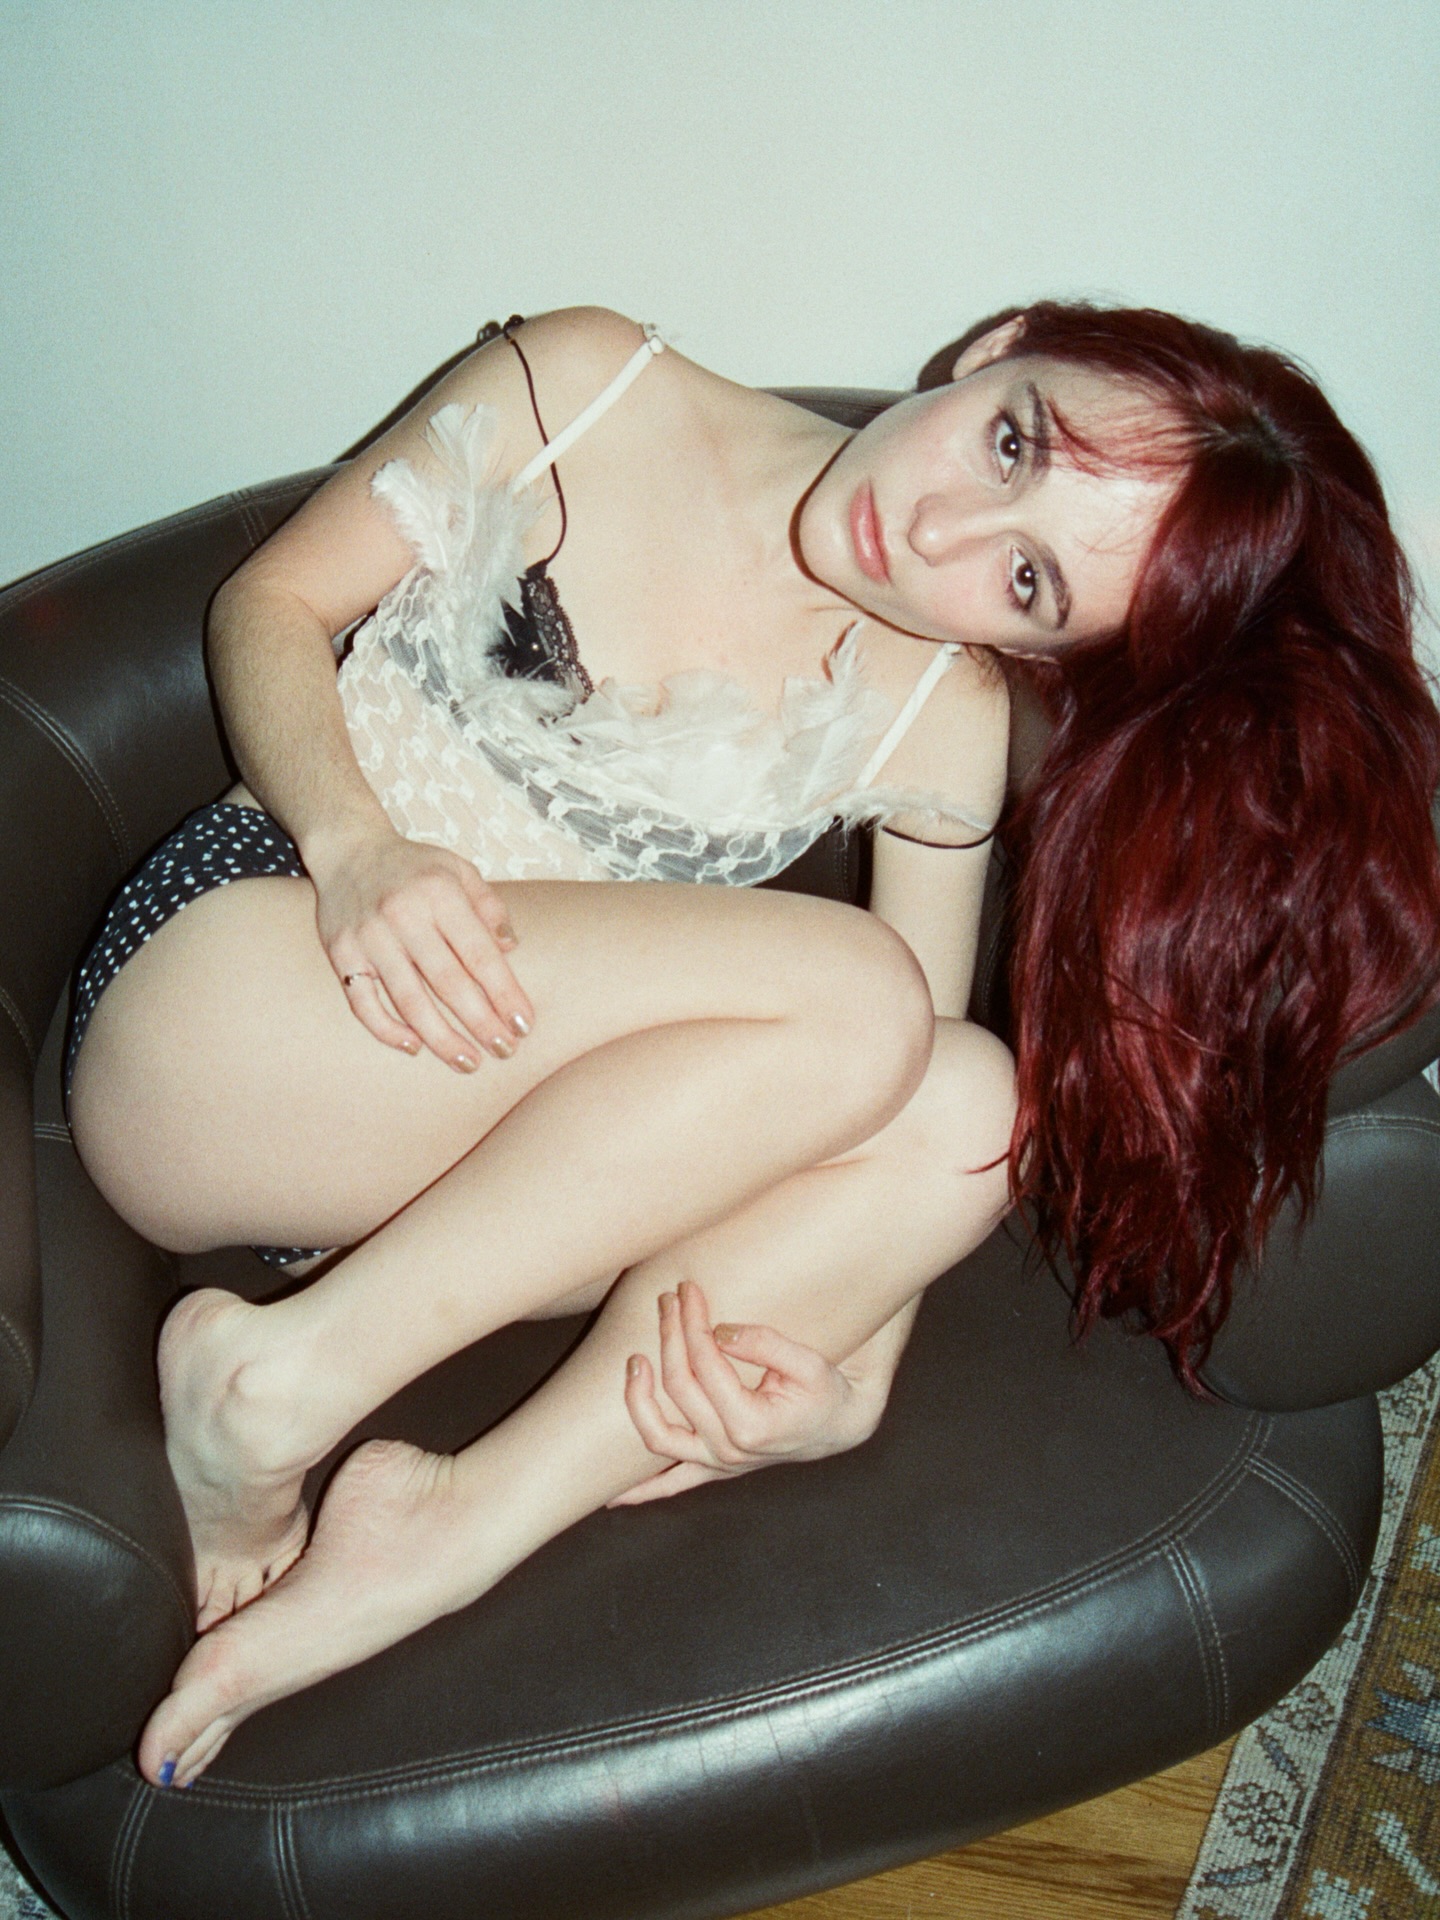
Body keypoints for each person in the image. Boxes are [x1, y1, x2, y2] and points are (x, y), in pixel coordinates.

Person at [64, 301, 1439, 1791]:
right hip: (234, 1006)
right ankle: (279, 1386)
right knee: (869, 1002)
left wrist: (853, 1380)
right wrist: (355, 848)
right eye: (1013, 444)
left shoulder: (940, 711)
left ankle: (455, 1522)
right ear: (1001, 345)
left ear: (1048, 643)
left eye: (1027, 579)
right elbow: (266, 603)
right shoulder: (590, 385)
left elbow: (904, 1134)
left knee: (972, 1103)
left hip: (419, 1182)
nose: (939, 533)